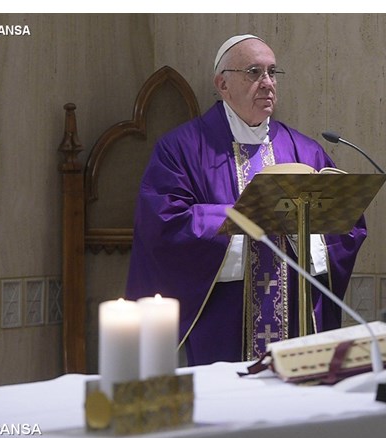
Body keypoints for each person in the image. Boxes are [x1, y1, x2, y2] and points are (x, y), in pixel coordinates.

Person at [125, 34, 367, 366]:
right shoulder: (181, 149)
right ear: (222, 84)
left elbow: (348, 228)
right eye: (254, 72)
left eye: (272, 72)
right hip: (222, 322)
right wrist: (248, 220)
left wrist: (302, 231)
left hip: (295, 324)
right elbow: (162, 225)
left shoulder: (307, 151)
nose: (267, 83)